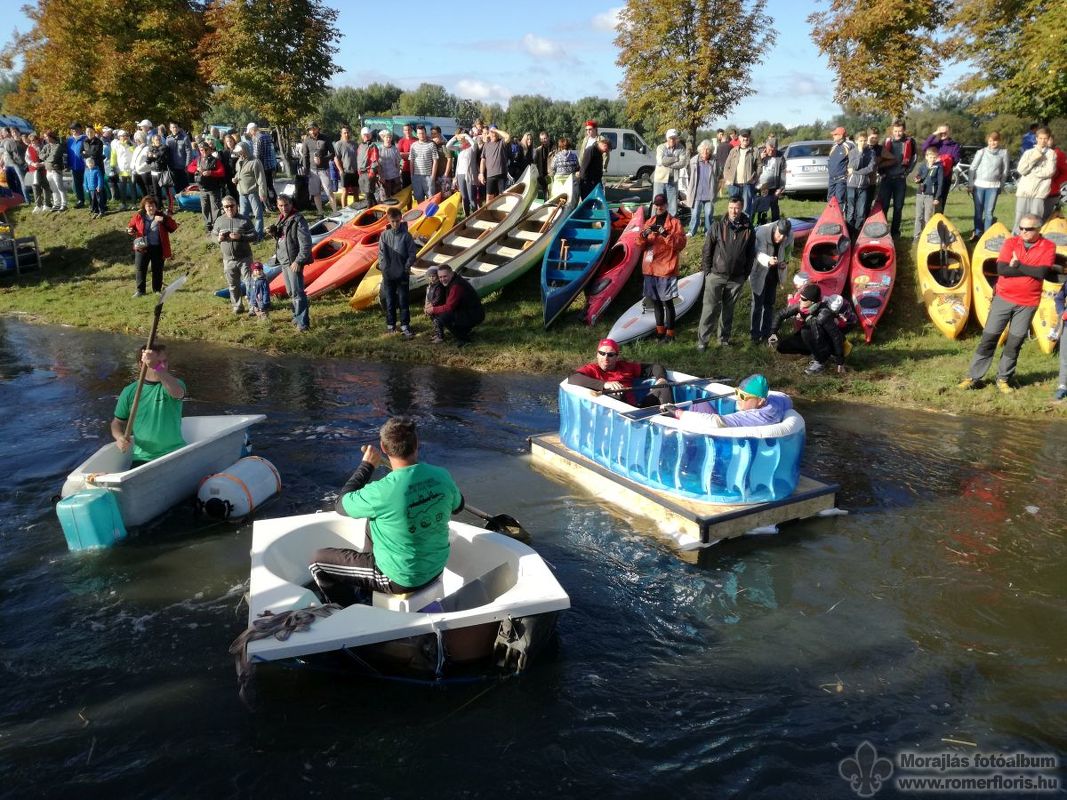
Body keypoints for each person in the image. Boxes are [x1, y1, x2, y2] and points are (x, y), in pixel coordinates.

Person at [308, 416, 463, 606]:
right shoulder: (442, 476)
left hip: (399, 579)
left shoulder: (381, 492)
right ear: (417, 444)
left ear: (383, 447)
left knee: (317, 561)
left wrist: (367, 466)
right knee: (373, 521)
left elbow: (341, 504)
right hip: (436, 567)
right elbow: (458, 506)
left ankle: (350, 609)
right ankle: (366, 591)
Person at [959, 214, 1063, 393]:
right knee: (989, 338)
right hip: (1003, 298)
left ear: (1038, 230)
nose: (1023, 232)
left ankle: (1003, 379)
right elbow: (1001, 269)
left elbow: (1041, 273)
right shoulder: (1010, 243)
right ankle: (973, 377)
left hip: (1028, 302)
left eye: (1028, 229)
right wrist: (1025, 268)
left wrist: (1017, 265)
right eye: (1021, 228)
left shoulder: (1048, 246)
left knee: (1014, 342)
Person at [110, 345, 186, 467]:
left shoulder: (175, 384)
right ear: (141, 365)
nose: (163, 366)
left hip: (176, 453)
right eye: (157, 362)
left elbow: (177, 393)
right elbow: (117, 422)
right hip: (143, 458)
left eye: (164, 362)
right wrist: (119, 437)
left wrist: (155, 366)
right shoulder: (129, 391)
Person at [697, 196, 754, 350]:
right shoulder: (717, 225)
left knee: (728, 311)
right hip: (715, 275)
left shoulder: (749, 228)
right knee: (709, 309)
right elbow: (707, 249)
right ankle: (703, 341)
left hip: (736, 278)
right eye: (730, 208)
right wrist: (707, 271)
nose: (733, 211)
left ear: (741, 208)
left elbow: (751, 254)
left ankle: (723, 339)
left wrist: (745, 274)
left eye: (736, 208)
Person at [769, 283, 848, 375]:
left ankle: (820, 361)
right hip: (812, 338)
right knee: (782, 347)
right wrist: (773, 332)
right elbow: (781, 314)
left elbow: (836, 337)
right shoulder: (801, 307)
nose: (800, 300)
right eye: (800, 297)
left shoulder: (824, 314)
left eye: (803, 299)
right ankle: (813, 352)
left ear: (813, 302)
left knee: (805, 331)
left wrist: (840, 362)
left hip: (826, 344)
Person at [662, 374, 792, 430]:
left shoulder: (756, 416)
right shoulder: (775, 403)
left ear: (760, 401)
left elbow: (716, 422)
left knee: (698, 405)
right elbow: (786, 398)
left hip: (725, 446)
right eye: (737, 393)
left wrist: (677, 413)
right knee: (700, 404)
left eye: (743, 396)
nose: (738, 398)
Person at [567, 338, 672, 407]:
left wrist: (661, 379)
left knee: (664, 387)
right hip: (614, 414)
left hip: (636, 410)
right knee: (617, 394)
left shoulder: (626, 367)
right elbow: (573, 378)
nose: (605, 358)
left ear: (617, 356)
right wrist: (605, 385)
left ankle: (670, 422)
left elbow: (656, 367)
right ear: (597, 354)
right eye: (602, 353)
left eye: (610, 354)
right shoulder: (592, 369)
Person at [639, 193, 687, 342]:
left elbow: (680, 244)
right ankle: (660, 332)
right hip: (650, 268)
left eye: (661, 204)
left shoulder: (675, 223)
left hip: (666, 268)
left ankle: (670, 334)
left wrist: (665, 233)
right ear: (654, 205)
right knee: (655, 301)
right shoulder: (649, 221)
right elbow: (639, 244)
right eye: (657, 204)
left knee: (667, 302)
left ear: (666, 204)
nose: (659, 207)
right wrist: (643, 236)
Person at [269, 193, 312, 332]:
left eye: (286, 205)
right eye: (281, 205)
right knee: (290, 291)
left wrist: (299, 261)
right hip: (284, 261)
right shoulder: (281, 218)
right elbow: (283, 238)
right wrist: (274, 232)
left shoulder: (298, 219)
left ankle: (303, 323)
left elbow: (306, 243)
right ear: (277, 206)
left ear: (291, 204)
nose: (284, 208)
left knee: (298, 292)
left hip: (293, 261)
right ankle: (296, 316)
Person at [750, 218, 794, 344]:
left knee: (769, 304)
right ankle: (754, 335)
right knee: (757, 304)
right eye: (779, 234)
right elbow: (758, 253)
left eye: (783, 236)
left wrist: (785, 262)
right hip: (759, 271)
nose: (780, 238)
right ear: (775, 229)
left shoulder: (790, 236)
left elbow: (788, 251)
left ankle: (766, 332)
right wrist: (768, 260)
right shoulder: (762, 233)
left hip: (774, 274)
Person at [213, 196, 257, 315]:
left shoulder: (245, 220)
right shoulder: (219, 220)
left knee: (249, 283)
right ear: (223, 208)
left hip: (245, 258)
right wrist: (218, 238)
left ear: (236, 206)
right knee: (232, 285)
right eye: (226, 206)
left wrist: (241, 237)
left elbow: (255, 236)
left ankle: (253, 306)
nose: (229, 209)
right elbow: (213, 236)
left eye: (231, 206)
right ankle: (237, 306)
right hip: (228, 259)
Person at [126, 195, 178, 296]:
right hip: (142, 247)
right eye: (149, 206)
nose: (151, 208)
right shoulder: (138, 216)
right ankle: (140, 291)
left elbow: (173, 226)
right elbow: (131, 226)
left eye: (153, 206)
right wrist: (130, 230)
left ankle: (157, 290)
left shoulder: (161, 215)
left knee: (157, 269)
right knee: (140, 268)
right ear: (144, 207)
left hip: (158, 247)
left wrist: (163, 220)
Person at [965, 131, 1011, 241]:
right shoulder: (981, 152)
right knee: (978, 211)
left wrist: (1002, 185)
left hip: (994, 186)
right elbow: (973, 168)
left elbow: (1005, 171)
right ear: (987, 141)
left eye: (995, 140)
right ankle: (977, 233)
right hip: (979, 186)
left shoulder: (1004, 153)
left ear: (999, 141)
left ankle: (987, 235)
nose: (992, 143)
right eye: (990, 140)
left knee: (989, 212)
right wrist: (971, 184)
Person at [379, 206, 417, 338]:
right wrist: (384, 268)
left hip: (402, 274)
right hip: (388, 275)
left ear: (401, 219)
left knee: (403, 301)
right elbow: (381, 254)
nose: (395, 224)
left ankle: (405, 325)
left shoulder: (407, 236)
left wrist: (406, 268)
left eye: (397, 221)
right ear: (389, 221)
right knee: (390, 301)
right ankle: (391, 326)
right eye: (392, 221)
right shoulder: (384, 235)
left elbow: (412, 254)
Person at [424, 264, 484, 346]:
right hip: (467, 311)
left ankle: (464, 340)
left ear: (451, 274)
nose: (442, 279)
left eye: (445, 276)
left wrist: (433, 309)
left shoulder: (456, 285)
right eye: (440, 277)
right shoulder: (452, 281)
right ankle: (464, 330)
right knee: (445, 313)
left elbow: (449, 307)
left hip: (474, 314)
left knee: (443, 317)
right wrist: (431, 305)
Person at [877, 120, 917, 239]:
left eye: (900, 131)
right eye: (895, 131)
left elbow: (914, 158)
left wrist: (907, 172)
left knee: (898, 207)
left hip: (900, 179)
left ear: (904, 130)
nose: (898, 133)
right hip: (887, 179)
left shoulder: (910, 141)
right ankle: (882, 230)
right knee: (883, 206)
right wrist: (881, 173)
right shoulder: (886, 141)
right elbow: (879, 159)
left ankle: (895, 232)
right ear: (892, 130)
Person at [1013, 127, 1055, 232]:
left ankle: (1035, 244)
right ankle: (1016, 241)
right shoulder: (1028, 153)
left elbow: (1049, 172)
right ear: (1036, 139)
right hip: (1024, 191)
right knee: (1020, 219)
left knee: (1035, 221)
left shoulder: (1051, 154)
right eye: (1040, 138)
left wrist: (1032, 170)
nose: (1042, 141)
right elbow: (1021, 170)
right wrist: (1035, 158)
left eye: (1045, 138)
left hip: (1039, 192)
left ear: (1048, 139)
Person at [188, 139, 226, 233]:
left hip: (214, 188)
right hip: (202, 189)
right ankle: (208, 225)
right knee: (205, 208)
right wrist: (196, 169)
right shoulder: (197, 160)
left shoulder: (215, 160)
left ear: (210, 149)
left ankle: (217, 225)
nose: (204, 152)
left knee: (215, 208)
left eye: (206, 149)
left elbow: (221, 172)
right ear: (199, 151)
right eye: (202, 150)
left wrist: (211, 173)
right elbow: (189, 168)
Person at [300, 121, 337, 215]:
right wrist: (306, 170)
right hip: (312, 171)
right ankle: (320, 213)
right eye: (310, 130)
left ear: (317, 128)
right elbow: (305, 156)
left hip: (324, 169)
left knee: (329, 191)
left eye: (313, 129)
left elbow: (333, 153)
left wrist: (323, 159)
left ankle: (335, 212)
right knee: (316, 193)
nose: (312, 131)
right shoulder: (307, 140)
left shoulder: (326, 138)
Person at [922, 125, 961, 209]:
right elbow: (924, 147)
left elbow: (956, 159)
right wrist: (935, 133)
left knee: (941, 201)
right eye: (941, 132)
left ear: (949, 132)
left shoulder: (955, 145)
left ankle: (939, 219)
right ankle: (927, 219)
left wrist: (944, 160)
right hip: (932, 177)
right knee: (929, 200)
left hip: (945, 177)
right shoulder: (936, 144)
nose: (943, 134)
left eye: (945, 132)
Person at [723, 129, 760, 216]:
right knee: (733, 208)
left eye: (747, 136)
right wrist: (727, 179)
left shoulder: (755, 151)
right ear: (739, 138)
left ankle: (746, 228)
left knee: (746, 209)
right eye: (743, 136)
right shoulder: (733, 151)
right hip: (734, 185)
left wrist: (755, 179)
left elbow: (759, 166)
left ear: (749, 138)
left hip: (747, 185)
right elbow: (726, 167)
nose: (745, 139)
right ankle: (733, 227)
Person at [845, 131, 876, 234]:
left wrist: (855, 172)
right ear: (856, 141)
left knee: (861, 211)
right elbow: (854, 165)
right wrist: (860, 152)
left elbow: (870, 168)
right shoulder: (852, 152)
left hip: (863, 185)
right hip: (851, 185)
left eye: (864, 141)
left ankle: (858, 233)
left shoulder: (871, 152)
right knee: (851, 211)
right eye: (860, 141)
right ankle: (849, 232)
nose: (863, 143)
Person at [686, 140, 718, 237]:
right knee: (695, 214)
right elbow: (689, 174)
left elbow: (718, 174)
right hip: (697, 193)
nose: (705, 152)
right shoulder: (693, 161)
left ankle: (708, 231)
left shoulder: (714, 161)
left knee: (708, 214)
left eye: (708, 150)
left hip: (709, 193)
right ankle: (692, 231)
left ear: (710, 151)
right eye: (703, 150)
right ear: (700, 150)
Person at [912, 145, 944, 241]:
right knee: (918, 216)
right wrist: (917, 179)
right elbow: (918, 177)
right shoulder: (922, 166)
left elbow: (940, 183)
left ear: (937, 157)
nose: (932, 159)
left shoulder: (939, 168)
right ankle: (916, 236)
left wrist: (937, 197)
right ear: (926, 157)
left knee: (927, 217)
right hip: (920, 194)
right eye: (930, 157)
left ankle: (927, 236)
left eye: (934, 157)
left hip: (930, 196)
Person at [652, 129, 686, 216]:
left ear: (677, 138)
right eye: (670, 138)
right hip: (660, 180)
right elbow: (661, 161)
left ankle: (671, 225)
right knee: (657, 202)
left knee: (672, 205)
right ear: (667, 138)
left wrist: (668, 164)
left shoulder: (681, 148)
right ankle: (654, 222)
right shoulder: (661, 147)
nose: (672, 140)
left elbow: (682, 163)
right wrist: (675, 158)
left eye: (674, 138)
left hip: (673, 179)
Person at [754, 136, 786, 225]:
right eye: (769, 149)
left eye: (773, 150)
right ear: (766, 147)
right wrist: (760, 158)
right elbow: (751, 166)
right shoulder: (759, 153)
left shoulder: (780, 157)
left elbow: (783, 174)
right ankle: (757, 225)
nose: (771, 152)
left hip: (773, 186)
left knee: (774, 206)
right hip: (759, 186)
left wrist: (780, 188)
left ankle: (776, 225)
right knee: (758, 207)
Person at [446, 130, 478, 215]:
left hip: (469, 175)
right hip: (460, 175)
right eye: (460, 139)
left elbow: (474, 143)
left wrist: (465, 135)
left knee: (471, 197)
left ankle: (475, 215)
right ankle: (467, 216)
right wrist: (455, 137)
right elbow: (448, 145)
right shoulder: (460, 148)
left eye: (462, 138)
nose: (461, 140)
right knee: (464, 197)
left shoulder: (472, 147)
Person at [245, 123, 278, 204]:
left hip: (263, 166)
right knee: (270, 185)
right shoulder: (266, 136)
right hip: (270, 165)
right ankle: (275, 202)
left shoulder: (258, 138)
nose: (250, 134)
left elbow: (258, 154)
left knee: (264, 186)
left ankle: (269, 204)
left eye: (249, 132)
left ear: (252, 130)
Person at [478, 125, 510, 203]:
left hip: (501, 174)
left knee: (502, 197)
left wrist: (495, 130)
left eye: (495, 133)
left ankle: (503, 214)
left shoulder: (501, 142)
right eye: (492, 133)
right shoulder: (486, 145)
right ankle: (488, 214)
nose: (494, 134)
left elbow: (508, 136)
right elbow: (483, 160)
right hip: (490, 175)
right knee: (489, 198)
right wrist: (481, 173)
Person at [826, 126, 852, 209]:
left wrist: (849, 171)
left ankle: (840, 219)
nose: (833, 136)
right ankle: (830, 218)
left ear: (841, 135)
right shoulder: (834, 146)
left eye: (835, 134)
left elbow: (853, 160)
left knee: (839, 200)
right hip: (831, 179)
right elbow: (830, 160)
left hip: (841, 179)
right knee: (830, 199)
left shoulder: (849, 145)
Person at [333, 124, 358, 208]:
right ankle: (344, 209)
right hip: (345, 171)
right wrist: (341, 170)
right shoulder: (338, 144)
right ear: (341, 134)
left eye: (348, 132)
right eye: (345, 133)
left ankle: (357, 207)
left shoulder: (354, 144)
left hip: (355, 171)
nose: (346, 134)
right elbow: (336, 159)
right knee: (345, 191)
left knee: (356, 191)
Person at [110, 130, 135, 211]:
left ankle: (133, 203)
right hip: (121, 169)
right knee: (122, 188)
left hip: (131, 169)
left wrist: (130, 145)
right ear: (119, 137)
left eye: (126, 135)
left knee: (132, 187)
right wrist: (113, 166)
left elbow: (134, 153)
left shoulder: (131, 144)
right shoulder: (116, 146)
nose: (124, 137)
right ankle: (123, 204)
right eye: (122, 136)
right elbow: (113, 157)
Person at [579, 135, 610, 199]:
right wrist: (585, 182)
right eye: (606, 149)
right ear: (603, 145)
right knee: (588, 204)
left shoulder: (599, 152)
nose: (606, 152)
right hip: (588, 184)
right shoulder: (591, 150)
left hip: (595, 183)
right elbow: (584, 167)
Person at [356, 126, 380, 208]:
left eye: (368, 134)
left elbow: (374, 159)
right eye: (364, 134)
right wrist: (358, 171)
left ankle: (369, 210)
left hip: (369, 172)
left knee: (368, 194)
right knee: (369, 193)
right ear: (362, 136)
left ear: (370, 135)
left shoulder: (372, 146)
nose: (366, 136)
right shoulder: (360, 146)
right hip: (361, 172)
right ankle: (376, 208)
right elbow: (359, 159)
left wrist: (372, 171)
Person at [377, 130, 403, 200]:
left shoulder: (395, 149)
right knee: (385, 199)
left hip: (395, 177)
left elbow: (398, 162)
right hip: (384, 178)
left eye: (390, 137)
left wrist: (399, 173)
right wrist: (381, 176)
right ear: (383, 138)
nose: (388, 139)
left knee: (397, 198)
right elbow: (377, 164)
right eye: (386, 137)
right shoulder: (379, 149)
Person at [67, 122, 87, 208]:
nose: (73, 131)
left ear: (80, 129)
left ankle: (93, 201)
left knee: (88, 184)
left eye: (75, 128)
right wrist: (68, 164)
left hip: (85, 166)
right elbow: (68, 153)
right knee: (77, 184)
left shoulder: (85, 138)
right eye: (72, 129)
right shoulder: (70, 140)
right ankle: (80, 201)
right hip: (74, 167)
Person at [533, 131, 552, 196]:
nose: (543, 141)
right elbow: (534, 164)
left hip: (551, 175)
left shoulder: (554, 148)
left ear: (548, 137)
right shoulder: (538, 150)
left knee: (551, 195)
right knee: (540, 198)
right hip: (541, 176)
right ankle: (540, 206)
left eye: (545, 138)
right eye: (541, 139)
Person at [397, 122, 416, 189]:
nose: (407, 131)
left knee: (417, 189)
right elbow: (399, 155)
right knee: (405, 190)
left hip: (417, 169)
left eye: (408, 129)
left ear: (411, 130)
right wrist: (412, 154)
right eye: (405, 130)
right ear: (403, 131)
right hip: (406, 170)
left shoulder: (416, 140)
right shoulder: (401, 141)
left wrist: (406, 154)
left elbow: (419, 154)